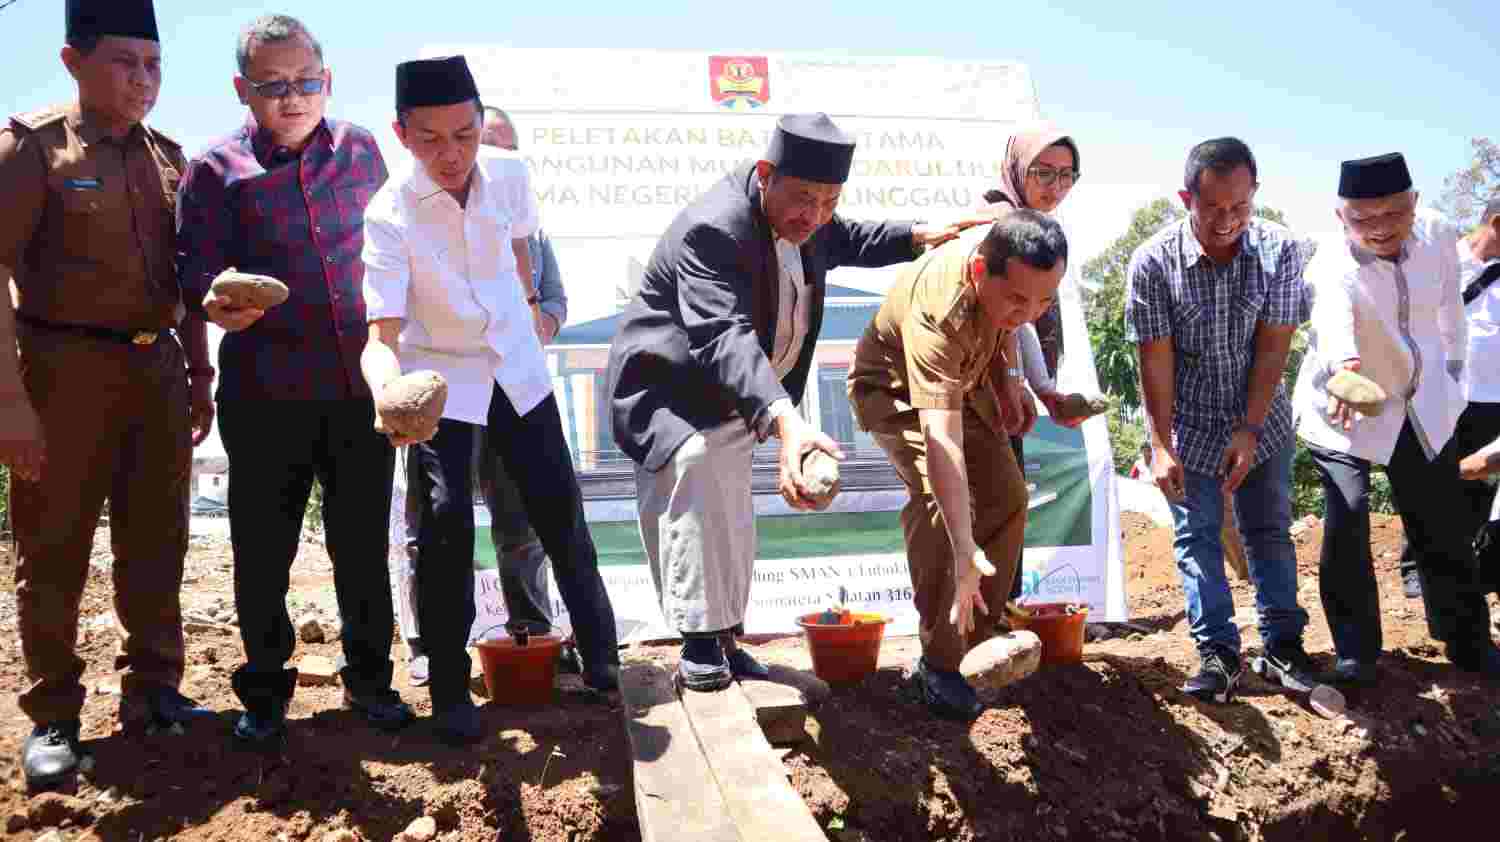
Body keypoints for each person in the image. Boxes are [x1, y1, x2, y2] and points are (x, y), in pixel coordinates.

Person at [606, 113, 982, 691]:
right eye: (805, 198)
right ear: (765, 175)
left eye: (830, 201)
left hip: (737, 395)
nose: (815, 215)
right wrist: (786, 420)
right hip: (670, 391)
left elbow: (847, 237)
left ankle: (726, 639)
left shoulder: (809, 222)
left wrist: (915, 235)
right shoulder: (715, 228)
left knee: (732, 512)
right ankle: (699, 642)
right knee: (696, 471)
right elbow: (722, 336)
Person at [361, 55, 620, 745]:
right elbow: (379, 335)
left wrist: (531, 308)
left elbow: (521, 247)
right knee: (445, 525)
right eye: (430, 139)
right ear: (401, 134)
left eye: (464, 135)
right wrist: (388, 391)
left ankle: (602, 658)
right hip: (442, 380)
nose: (451, 155)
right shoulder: (388, 213)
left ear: (481, 124)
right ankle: (449, 688)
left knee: (559, 509)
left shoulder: (510, 173)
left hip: (518, 366)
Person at [176, 14, 412, 744]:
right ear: (243, 90)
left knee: (361, 546)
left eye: (305, 82)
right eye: (273, 86)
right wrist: (215, 303)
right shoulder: (215, 171)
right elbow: (192, 276)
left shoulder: (364, 151)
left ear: (328, 81)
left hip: (354, 389)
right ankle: (266, 693)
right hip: (266, 395)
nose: (292, 98)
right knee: (263, 550)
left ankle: (372, 685)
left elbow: (395, 248)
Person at [0, 0, 214, 789]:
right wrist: (8, 404)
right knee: (54, 548)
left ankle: (155, 692)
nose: (144, 79)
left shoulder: (169, 158)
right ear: (72, 61)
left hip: (156, 373)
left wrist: (199, 373)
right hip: (61, 373)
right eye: (125, 62)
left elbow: (184, 283)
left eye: (153, 64)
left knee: (157, 541)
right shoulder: (31, 149)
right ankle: (53, 715)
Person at [848, 211, 1067, 718]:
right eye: (1017, 300)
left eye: (1044, 301)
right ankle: (940, 663)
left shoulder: (1004, 266)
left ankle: (979, 644)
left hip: (964, 383)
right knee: (943, 503)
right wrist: (965, 548)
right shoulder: (938, 312)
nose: (1029, 313)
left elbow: (1003, 322)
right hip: (896, 392)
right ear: (978, 274)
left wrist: (1007, 378)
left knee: (1008, 497)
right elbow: (940, 439)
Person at [1293, 154, 1500, 686]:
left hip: (1422, 401)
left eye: (1392, 214)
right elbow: (1332, 320)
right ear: (1342, 217)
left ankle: (1468, 641)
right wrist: (1345, 368)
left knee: (1441, 522)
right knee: (1349, 511)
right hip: (1345, 406)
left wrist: (1453, 376)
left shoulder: (1438, 234)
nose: (1379, 229)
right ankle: (1356, 654)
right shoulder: (1331, 261)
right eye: (1363, 219)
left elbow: (1451, 308)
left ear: (1414, 204)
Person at [389, 105, 578, 686]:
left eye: (503, 150)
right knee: (436, 528)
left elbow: (553, 302)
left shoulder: (530, 228)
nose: (487, 163)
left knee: (521, 525)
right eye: (484, 146)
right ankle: (429, 646)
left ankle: (534, 630)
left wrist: (528, 329)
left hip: (514, 396)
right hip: (446, 400)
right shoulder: (408, 218)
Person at [1125, 137, 1316, 704]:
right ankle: (1219, 656)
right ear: (1188, 197)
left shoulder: (1281, 251)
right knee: (1197, 536)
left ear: (1254, 195)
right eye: (1214, 209)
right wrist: (1161, 445)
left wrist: (1251, 429)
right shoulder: (1153, 263)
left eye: (1241, 207)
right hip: (1190, 423)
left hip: (1264, 421)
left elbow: (1274, 347)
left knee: (1268, 530)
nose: (1228, 221)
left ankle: (1284, 647)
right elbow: (1153, 359)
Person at [978, 122, 1086, 603]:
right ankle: (982, 627)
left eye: (1067, 176)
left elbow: (1022, 323)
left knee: (1007, 506)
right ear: (1019, 168)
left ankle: (999, 616)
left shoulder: (1032, 223)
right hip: (981, 396)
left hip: (1008, 392)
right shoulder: (998, 222)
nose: (1056, 187)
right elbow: (1003, 320)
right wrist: (1016, 384)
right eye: (1044, 172)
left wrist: (1043, 390)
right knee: (995, 507)